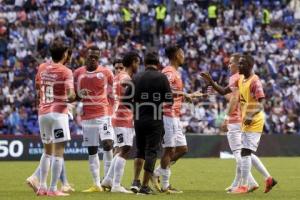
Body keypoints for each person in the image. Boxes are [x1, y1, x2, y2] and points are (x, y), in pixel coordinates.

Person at [201, 54, 277, 194]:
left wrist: (249, 115)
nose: (238, 66)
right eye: (239, 63)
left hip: (254, 121)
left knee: (245, 152)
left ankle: (244, 185)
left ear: (249, 66)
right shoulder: (241, 79)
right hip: (245, 120)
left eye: (241, 64)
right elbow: (224, 91)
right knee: (244, 152)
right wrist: (212, 82)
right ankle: (267, 179)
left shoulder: (255, 81)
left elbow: (262, 102)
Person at [152, 45, 202, 193]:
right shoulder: (168, 71)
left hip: (174, 115)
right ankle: (166, 186)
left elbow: (173, 93)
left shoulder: (176, 72)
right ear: (175, 55)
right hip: (167, 115)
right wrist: (184, 94)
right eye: (182, 53)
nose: (184, 56)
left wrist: (189, 96)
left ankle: (156, 173)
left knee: (182, 149)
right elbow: (162, 89)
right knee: (169, 150)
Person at [123, 51, 173, 195]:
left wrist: (136, 110)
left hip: (139, 119)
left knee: (139, 150)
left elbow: (125, 100)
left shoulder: (136, 77)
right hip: (155, 119)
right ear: (157, 64)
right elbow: (170, 101)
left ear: (144, 64)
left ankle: (135, 181)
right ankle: (144, 186)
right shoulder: (162, 77)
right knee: (151, 152)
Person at [26, 48, 75, 194]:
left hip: (43, 113)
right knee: (58, 152)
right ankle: (53, 189)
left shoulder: (42, 67)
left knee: (47, 152)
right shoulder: (66, 71)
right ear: (64, 54)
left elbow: (37, 86)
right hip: (58, 114)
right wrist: (79, 95)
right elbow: (71, 95)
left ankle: (42, 187)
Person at [73, 46, 114, 193]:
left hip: (103, 114)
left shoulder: (106, 72)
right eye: (90, 57)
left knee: (108, 144)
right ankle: (96, 184)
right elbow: (72, 94)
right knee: (92, 150)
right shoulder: (78, 73)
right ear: (85, 56)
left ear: (99, 57)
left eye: (96, 57)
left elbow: (114, 93)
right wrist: (79, 93)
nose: (93, 59)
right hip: (87, 116)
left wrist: (112, 111)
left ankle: (108, 180)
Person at [219, 53, 259, 193]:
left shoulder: (234, 77)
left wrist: (225, 117)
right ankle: (236, 183)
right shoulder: (243, 78)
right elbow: (234, 97)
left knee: (239, 154)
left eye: (231, 63)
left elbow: (234, 99)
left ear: (237, 64)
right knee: (244, 153)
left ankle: (251, 182)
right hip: (242, 120)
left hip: (235, 120)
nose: (229, 65)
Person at [101, 52, 140, 193]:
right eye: (138, 63)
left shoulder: (117, 76)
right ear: (133, 62)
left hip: (119, 116)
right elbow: (128, 94)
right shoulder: (125, 77)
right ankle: (116, 185)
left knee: (120, 149)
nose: (138, 66)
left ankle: (108, 179)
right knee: (125, 149)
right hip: (123, 117)